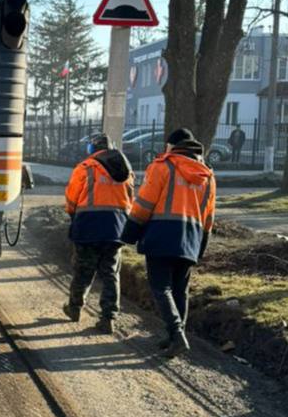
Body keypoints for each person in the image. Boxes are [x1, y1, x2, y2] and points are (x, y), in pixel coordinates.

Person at [121, 127, 215, 358]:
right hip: (191, 236)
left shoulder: (163, 167)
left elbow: (144, 203)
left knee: (160, 287)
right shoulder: (207, 175)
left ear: (171, 147)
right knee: (180, 289)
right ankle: (174, 337)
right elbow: (209, 214)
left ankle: (177, 334)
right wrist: (202, 244)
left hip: (162, 234)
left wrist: (130, 233)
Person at [62, 133, 134, 334]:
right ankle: (108, 318)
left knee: (83, 270)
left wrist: (72, 216)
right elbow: (131, 200)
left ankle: (75, 308)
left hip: (88, 226)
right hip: (116, 228)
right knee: (110, 273)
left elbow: (71, 198)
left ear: (93, 149)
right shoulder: (126, 171)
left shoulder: (85, 168)